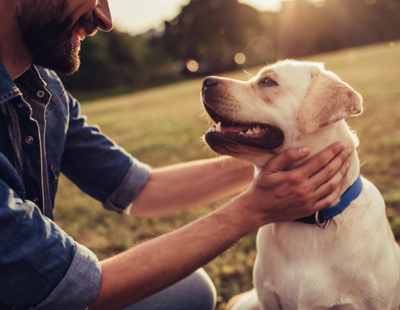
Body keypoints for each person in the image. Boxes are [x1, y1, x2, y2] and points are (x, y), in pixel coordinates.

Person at [0, 1, 352, 309]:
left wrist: (285, 156)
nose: (105, 17)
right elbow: (69, 290)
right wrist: (254, 208)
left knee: (189, 291)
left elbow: (141, 188)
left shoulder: (44, 91)